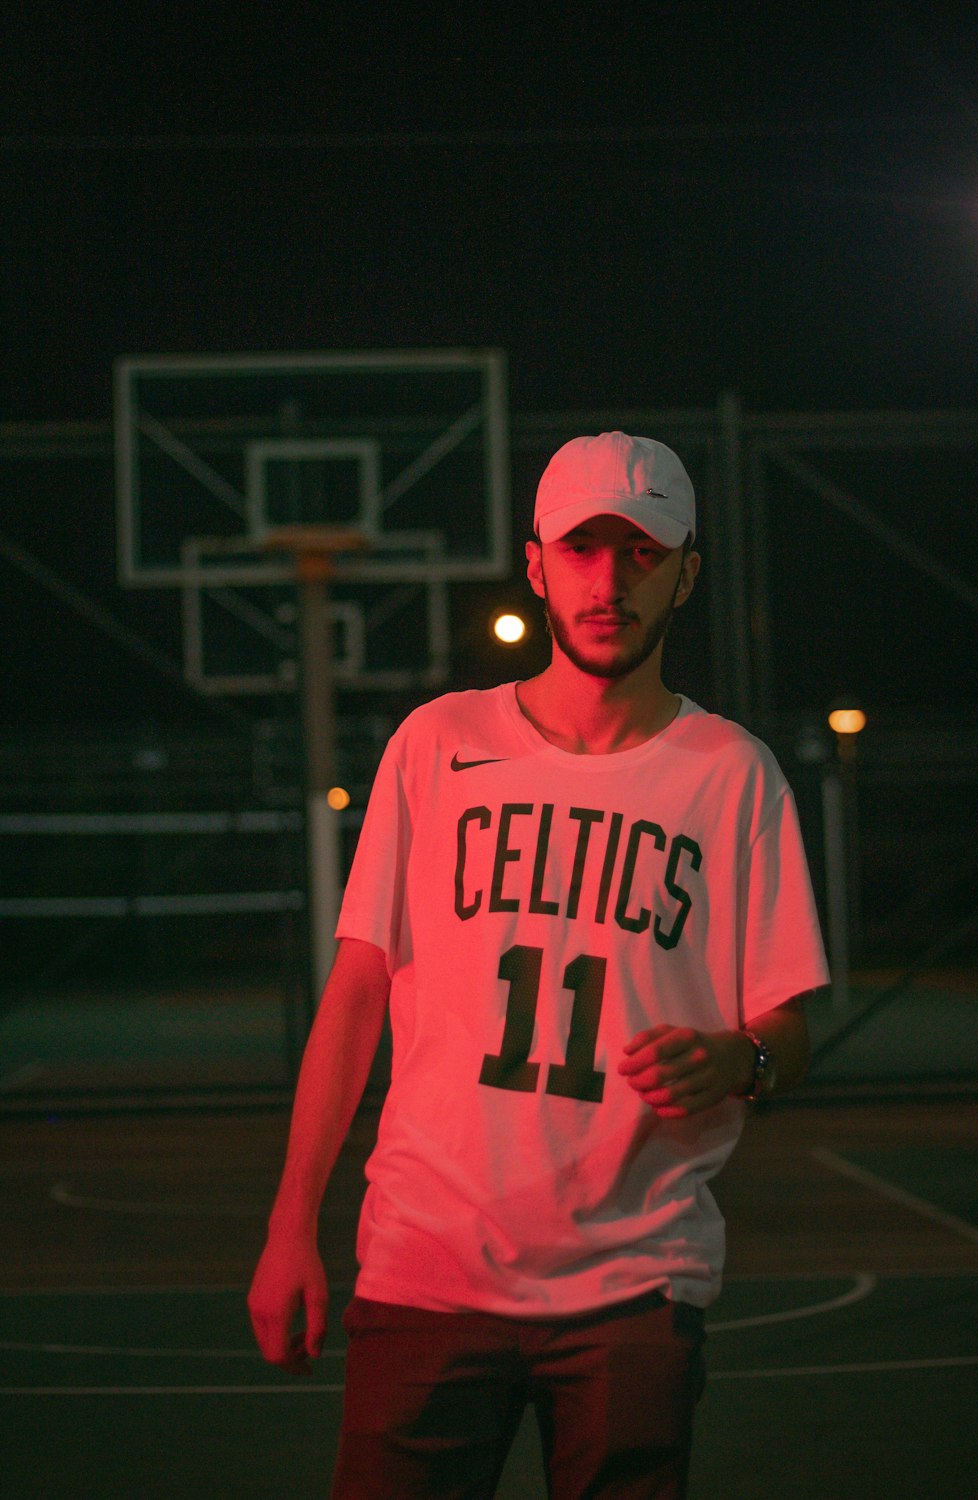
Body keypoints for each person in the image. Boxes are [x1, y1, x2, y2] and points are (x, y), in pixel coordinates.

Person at [249, 431, 830, 1499]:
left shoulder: (732, 777)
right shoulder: (435, 744)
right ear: (537, 565)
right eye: (582, 550)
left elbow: (787, 1032)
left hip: (632, 1285)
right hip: (426, 1270)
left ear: (686, 573)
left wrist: (738, 1060)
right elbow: (357, 994)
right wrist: (291, 1227)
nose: (609, 583)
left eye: (642, 554)